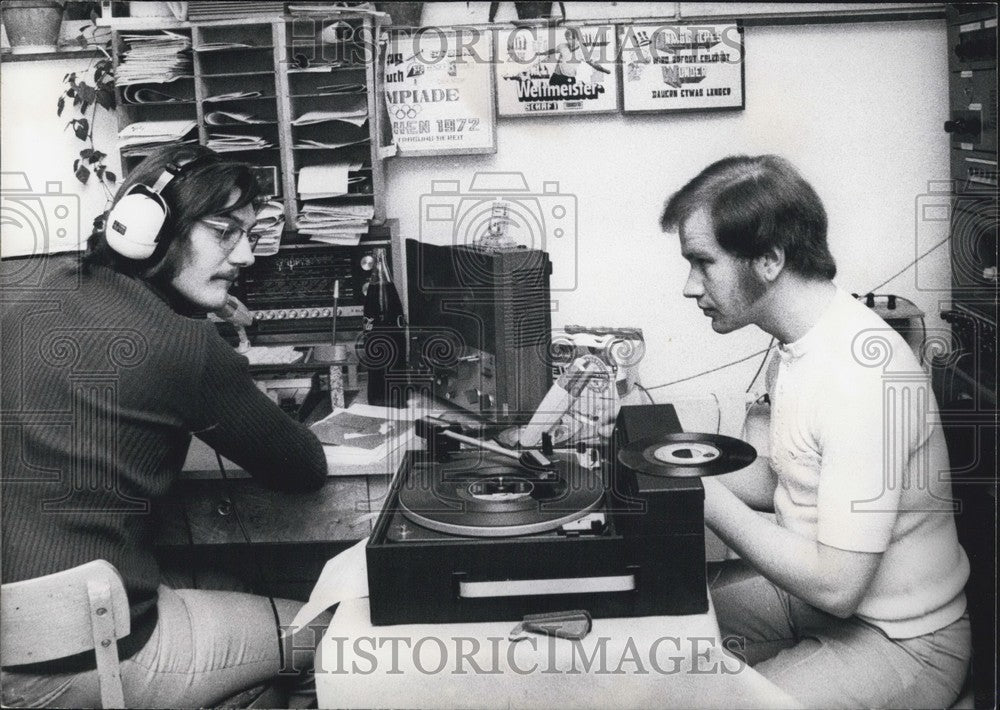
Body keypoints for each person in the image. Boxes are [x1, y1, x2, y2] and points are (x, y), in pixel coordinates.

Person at [1, 144, 330, 708]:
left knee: (226, 592)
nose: (246, 255)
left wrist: (193, 312)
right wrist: (203, 340)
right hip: (95, 656)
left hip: (13, 643)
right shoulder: (185, 346)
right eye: (226, 231)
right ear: (153, 229)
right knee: (329, 639)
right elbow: (303, 469)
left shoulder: (36, 297)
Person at [660, 155, 971, 708]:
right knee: (657, 636)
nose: (690, 286)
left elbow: (838, 584)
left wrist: (703, 496)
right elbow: (787, 479)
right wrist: (663, 454)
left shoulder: (860, 374)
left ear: (768, 260)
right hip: (819, 607)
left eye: (703, 262)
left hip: (903, 642)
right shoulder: (801, 344)